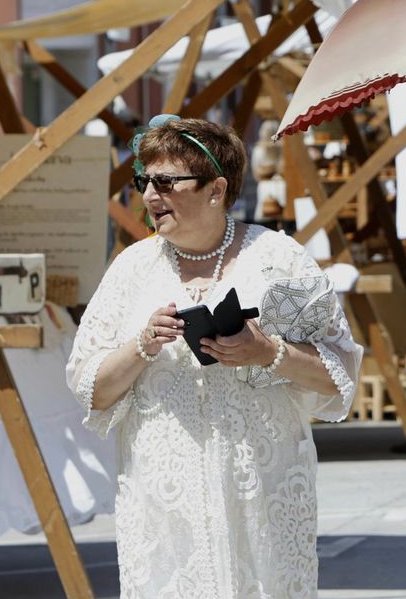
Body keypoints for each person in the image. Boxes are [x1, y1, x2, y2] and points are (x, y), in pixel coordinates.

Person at [66, 115, 361, 597]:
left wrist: (267, 351)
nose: (148, 195)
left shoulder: (279, 259)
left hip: (263, 503)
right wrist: (142, 346)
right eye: (144, 181)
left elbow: (339, 376)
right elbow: (90, 390)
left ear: (216, 189)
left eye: (165, 181)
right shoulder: (130, 271)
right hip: (165, 511)